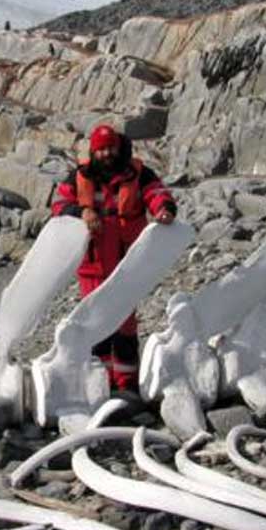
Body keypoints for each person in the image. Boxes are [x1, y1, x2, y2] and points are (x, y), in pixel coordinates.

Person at [51, 123, 177, 391]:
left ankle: (127, 385)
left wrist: (164, 209)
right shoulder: (79, 176)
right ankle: (99, 383)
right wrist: (81, 212)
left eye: (111, 148)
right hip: (93, 265)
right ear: (93, 151)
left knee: (125, 324)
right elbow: (59, 207)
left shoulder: (137, 173)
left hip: (127, 263)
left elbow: (155, 192)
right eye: (101, 149)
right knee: (95, 323)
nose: (107, 153)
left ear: (118, 147)